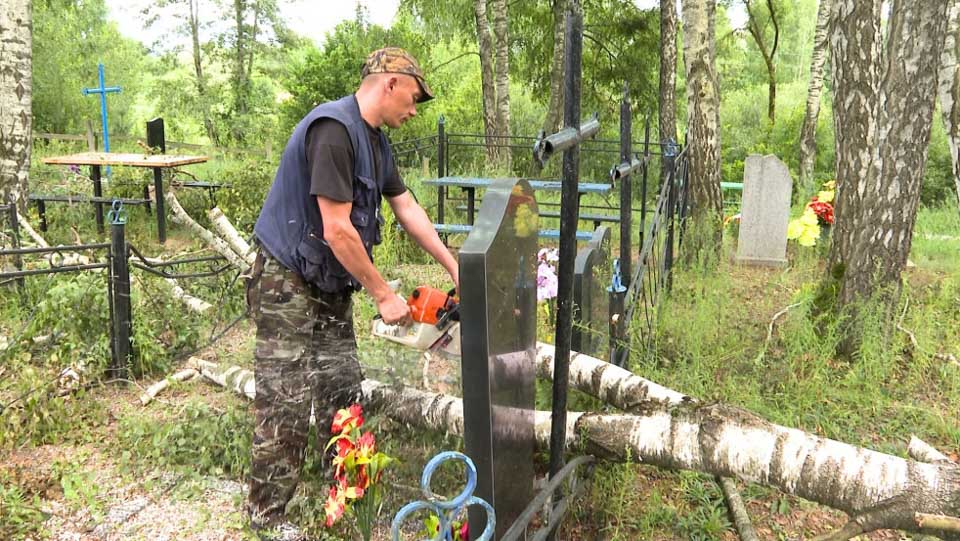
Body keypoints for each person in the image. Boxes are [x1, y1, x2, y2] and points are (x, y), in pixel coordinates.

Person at [245, 47, 459, 539]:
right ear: (389, 83)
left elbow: (407, 209)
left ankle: (346, 496)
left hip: (330, 285)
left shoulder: (377, 144)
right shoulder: (333, 132)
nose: (414, 108)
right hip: (288, 283)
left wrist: (454, 265)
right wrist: (384, 294)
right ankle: (267, 514)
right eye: (414, 97)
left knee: (342, 391)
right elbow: (338, 229)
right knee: (287, 400)